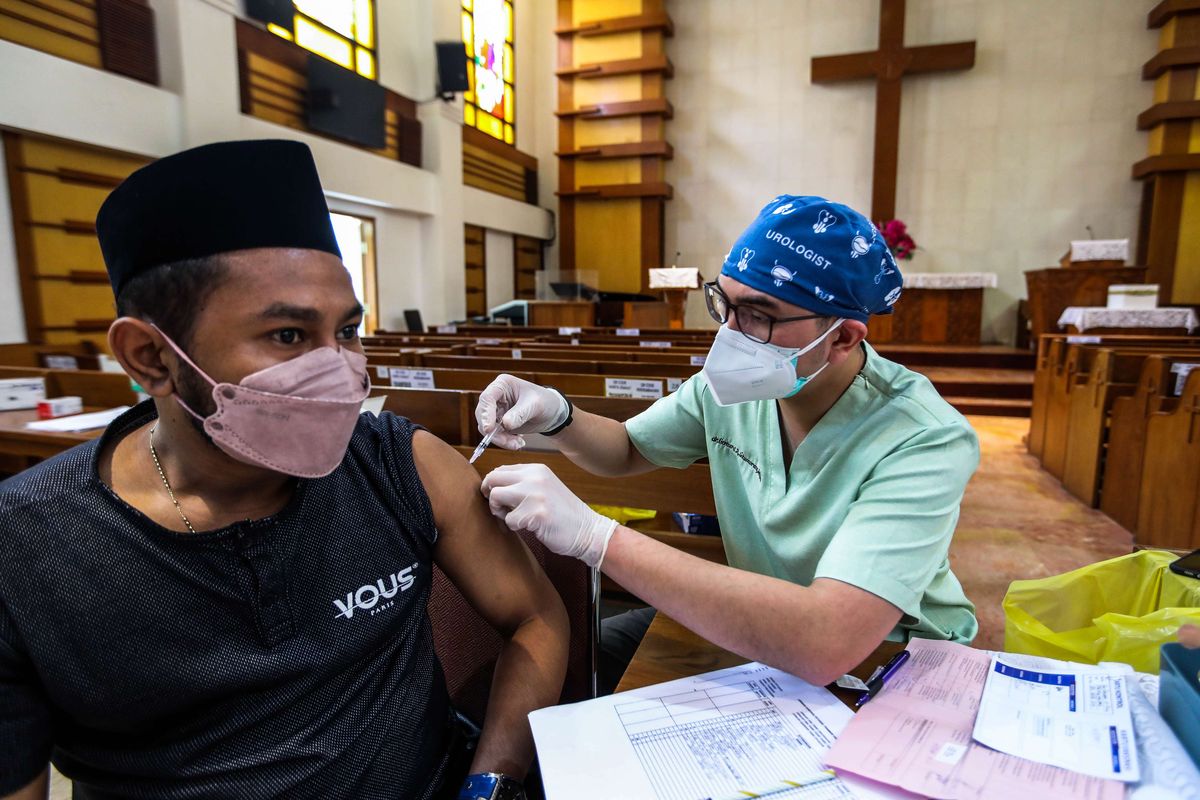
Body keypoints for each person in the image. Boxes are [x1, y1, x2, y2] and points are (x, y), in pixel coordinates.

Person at [0, 141, 568, 800]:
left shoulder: (399, 464)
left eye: (349, 331)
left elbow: (535, 618)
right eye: (290, 337)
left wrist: (489, 786)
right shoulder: (25, 551)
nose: (341, 371)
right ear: (150, 356)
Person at [476, 195, 979, 694]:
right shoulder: (733, 389)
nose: (730, 336)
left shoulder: (922, 437)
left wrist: (595, 538)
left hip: (889, 664)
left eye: (759, 315)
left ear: (843, 338)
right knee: (555, 662)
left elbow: (829, 638)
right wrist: (559, 416)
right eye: (726, 304)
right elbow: (627, 449)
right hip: (756, 630)